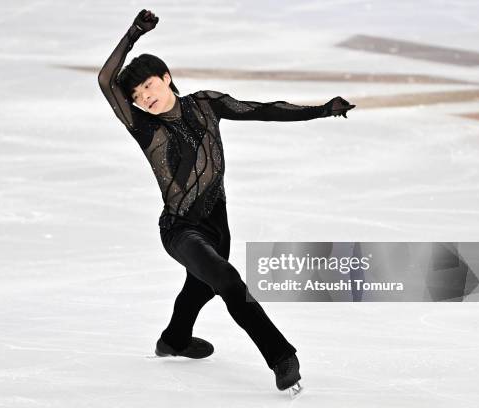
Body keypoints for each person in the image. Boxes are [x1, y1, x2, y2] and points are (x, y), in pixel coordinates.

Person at [97, 9, 355, 393]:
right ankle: (282, 358)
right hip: (180, 230)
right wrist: (134, 33)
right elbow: (106, 80)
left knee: (200, 287)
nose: (145, 97)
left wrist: (320, 110)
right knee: (228, 281)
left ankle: (175, 339)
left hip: (218, 225)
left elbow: (263, 110)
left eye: (149, 86)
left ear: (166, 78)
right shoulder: (144, 127)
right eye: (136, 95)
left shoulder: (206, 104)